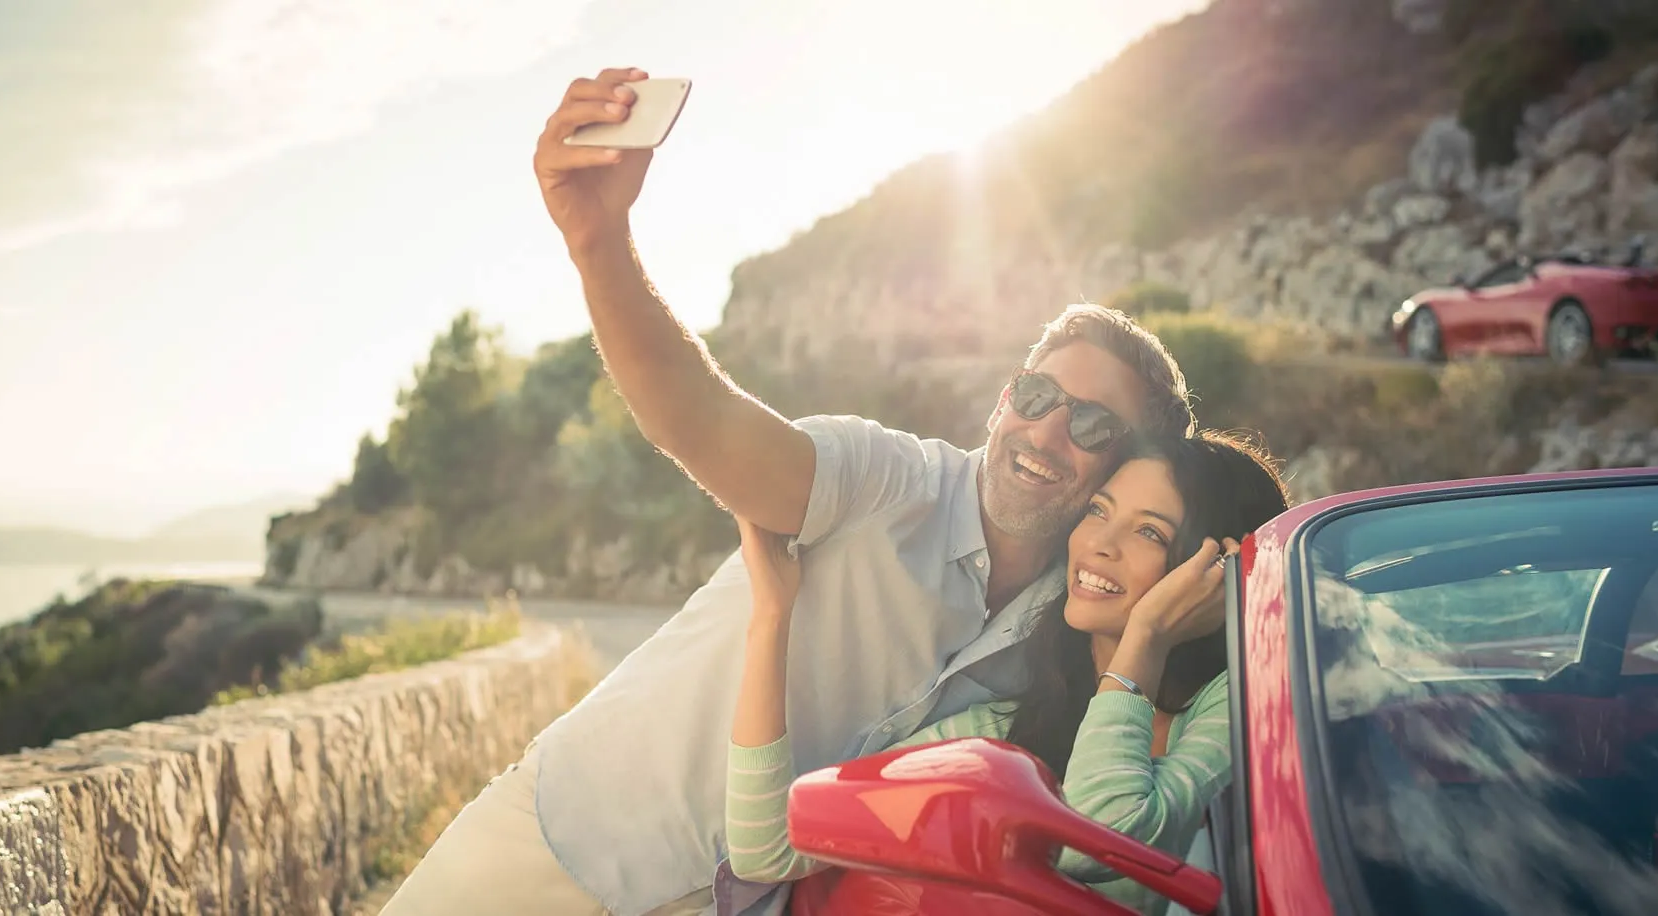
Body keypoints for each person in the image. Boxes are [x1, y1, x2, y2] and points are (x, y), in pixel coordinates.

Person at [380, 67, 1196, 916]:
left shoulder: (1067, 634)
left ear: (1123, 468)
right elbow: (701, 422)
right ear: (1002, 400)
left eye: (1093, 426)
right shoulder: (884, 478)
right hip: (563, 848)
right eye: (1036, 397)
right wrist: (600, 242)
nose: (1047, 432)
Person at [726, 431, 1292, 915]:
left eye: (1149, 532)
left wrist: (1147, 638)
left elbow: (1103, 840)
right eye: (1098, 510)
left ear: (1215, 571)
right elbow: (770, 848)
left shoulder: (1242, 705)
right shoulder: (1000, 731)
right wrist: (772, 617)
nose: (1098, 544)